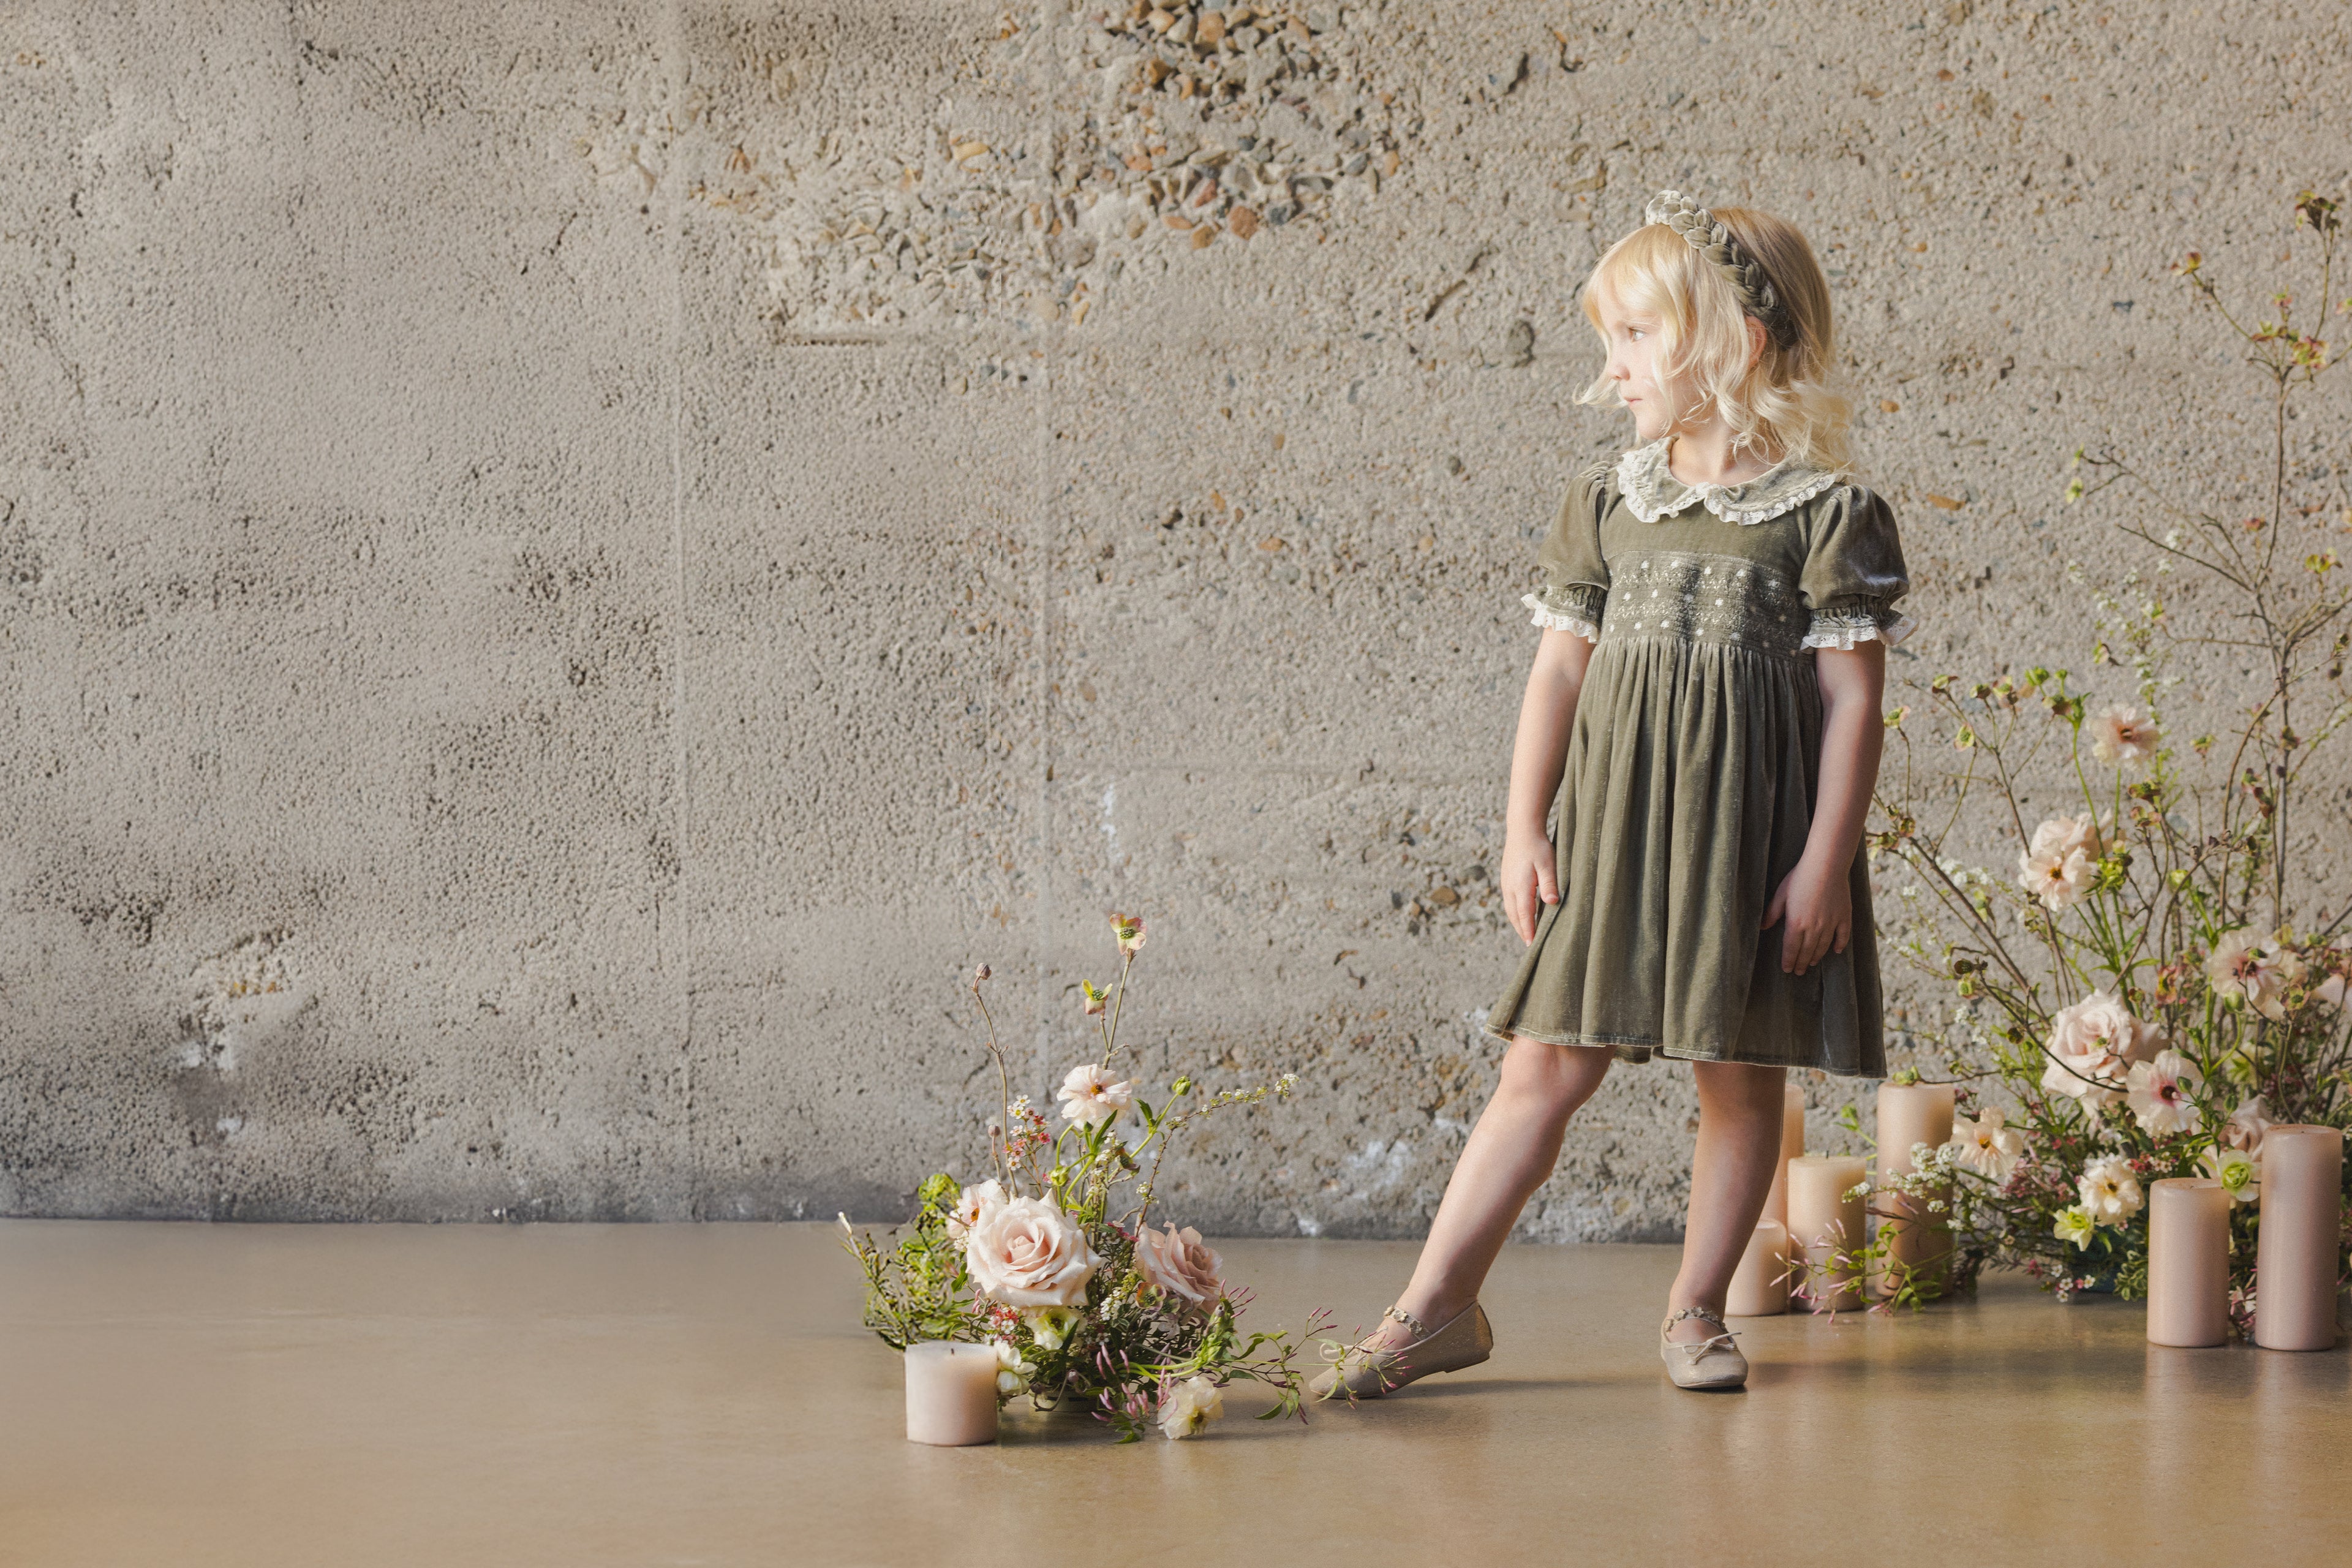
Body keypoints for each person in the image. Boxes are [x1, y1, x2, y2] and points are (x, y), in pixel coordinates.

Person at [1315, 191, 1912, 1396]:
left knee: (1737, 1076)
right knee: (1541, 1069)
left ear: (1735, 343)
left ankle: (1696, 1310)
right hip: (1615, 835)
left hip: (1750, 842)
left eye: (1635, 336)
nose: (1612, 367)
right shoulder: (1609, 503)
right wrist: (1522, 827)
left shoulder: (1826, 516)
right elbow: (1557, 673)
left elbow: (1853, 703)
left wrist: (1822, 862)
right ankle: (1430, 1311)